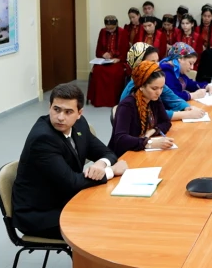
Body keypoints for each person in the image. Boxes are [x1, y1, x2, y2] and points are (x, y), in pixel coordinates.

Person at [13, 83, 127, 239]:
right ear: (49, 107)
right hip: (40, 214)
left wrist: (101, 164)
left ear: (79, 113)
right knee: (102, 224)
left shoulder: (80, 124)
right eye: (56, 109)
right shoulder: (43, 139)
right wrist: (111, 171)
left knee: (117, 210)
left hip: (63, 197)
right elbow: (72, 183)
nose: (61, 117)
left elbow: (107, 153)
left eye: (68, 112)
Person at [119, 43, 199, 120]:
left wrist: (187, 107)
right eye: (152, 62)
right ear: (139, 64)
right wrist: (185, 114)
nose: (157, 65)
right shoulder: (133, 89)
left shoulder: (155, 81)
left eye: (157, 61)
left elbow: (173, 98)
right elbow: (150, 115)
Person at [111, 61, 175, 156]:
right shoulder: (127, 106)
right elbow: (121, 139)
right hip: (125, 155)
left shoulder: (154, 99)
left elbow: (166, 122)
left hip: (142, 151)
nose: (159, 92)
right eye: (154, 88)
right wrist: (149, 143)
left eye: (162, 88)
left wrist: (151, 131)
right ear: (141, 86)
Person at [159, 42, 212, 120]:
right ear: (180, 59)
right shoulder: (165, 72)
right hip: (169, 112)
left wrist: (206, 86)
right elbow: (172, 95)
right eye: (190, 63)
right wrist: (192, 95)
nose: (192, 67)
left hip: (176, 110)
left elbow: (189, 83)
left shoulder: (177, 70)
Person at [86, 15, 129, 108]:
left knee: (114, 73)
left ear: (116, 25)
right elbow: (98, 50)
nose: (110, 31)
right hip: (104, 60)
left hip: (118, 61)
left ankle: (112, 101)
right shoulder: (102, 32)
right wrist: (103, 54)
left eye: (112, 28)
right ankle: (99, 101)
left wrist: (118, 59)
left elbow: (126, 51)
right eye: (108, 28)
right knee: (98, 71)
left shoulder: (123, 33)